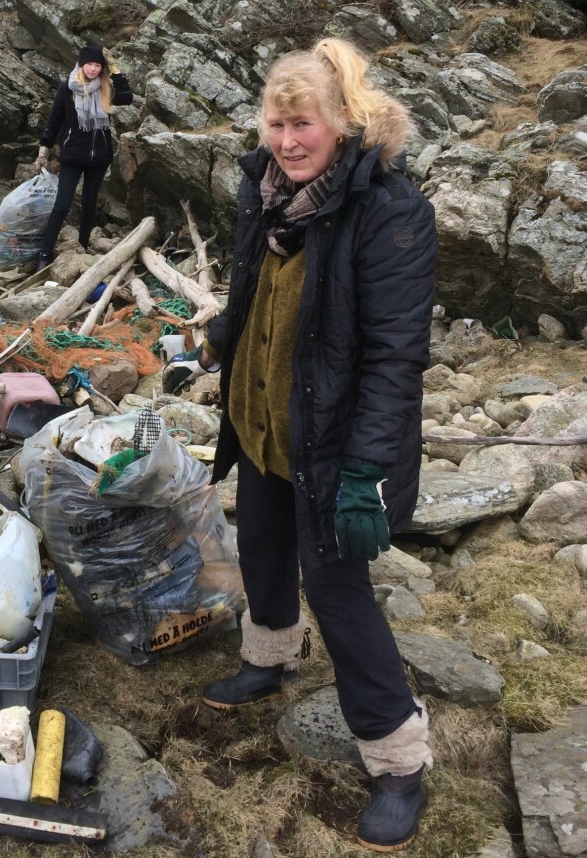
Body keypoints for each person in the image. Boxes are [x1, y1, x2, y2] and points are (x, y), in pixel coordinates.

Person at [166, 38, 437, 852]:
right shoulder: (268, 192)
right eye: (277, 123)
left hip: (336, 444)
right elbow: (253, 285)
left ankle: (398, 759)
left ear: (344, 121)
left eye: (303, 124)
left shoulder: (391, 210)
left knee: (340, 588)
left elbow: (396, 357)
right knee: (264, 544)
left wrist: (366, 476)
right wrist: (214, 341)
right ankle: (271, 655)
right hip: (261, 416)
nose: (287, 140)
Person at [34, 45, 133, 271]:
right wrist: (44, 150)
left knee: (89, 204)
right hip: (72, 155)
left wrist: (114, 69)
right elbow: (54, 121)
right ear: (81, 64)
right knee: (62, 205)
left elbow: (127, 97)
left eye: (98, 65)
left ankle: (82, 245)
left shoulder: (106, 87)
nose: (93, 69)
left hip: (98, 157)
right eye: (89, 64)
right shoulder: (67, 89)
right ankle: (44, 254)